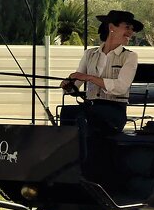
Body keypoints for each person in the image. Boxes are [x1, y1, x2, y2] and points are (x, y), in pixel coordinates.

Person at [60, 9, 142, 137]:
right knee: (67, 112)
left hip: (114, 110)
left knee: (87, 116)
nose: (131, 32)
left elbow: (121, 87)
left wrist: (89, 77)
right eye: (127, 27)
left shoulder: (130, 56)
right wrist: (68, 85)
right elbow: (77, 83)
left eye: (132, 29)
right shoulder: (89, 54)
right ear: (111, 27)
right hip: (90, 108)